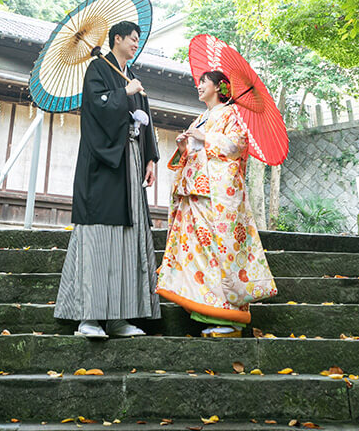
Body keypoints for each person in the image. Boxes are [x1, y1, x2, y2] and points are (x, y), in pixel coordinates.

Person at [54, 20, 161, 338]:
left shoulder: (128, 74)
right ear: (116, 39)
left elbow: (144, 120)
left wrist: (150, 157)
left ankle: (119, 318)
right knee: (99, 238)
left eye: (137, 40)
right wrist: (122, 93)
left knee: (128, 239)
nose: (135, 44)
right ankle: (89, 318)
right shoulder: (98, 70)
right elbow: (94, 108)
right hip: (103, 166)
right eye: (131, 39)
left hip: (129, 162)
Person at [157, 69, 277, 337]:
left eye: (204, 82)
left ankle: (231, 317)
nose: (198, 86)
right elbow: (193, 156)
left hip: (216, 197)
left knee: (220, 254)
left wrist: (206, 138)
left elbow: (237, 146)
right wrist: (183, 148)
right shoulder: (200, 118)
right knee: (199, 256)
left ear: (218, 88)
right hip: (196, 193)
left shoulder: (230, 114)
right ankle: (209, 311)